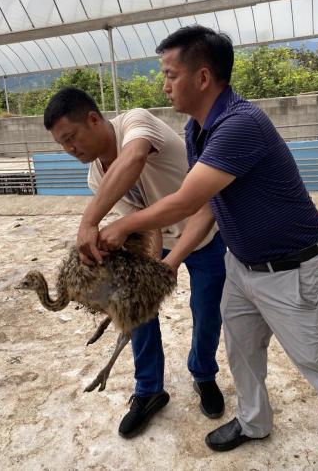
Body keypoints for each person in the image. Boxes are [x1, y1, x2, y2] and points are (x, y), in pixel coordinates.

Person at [97, 25, 318, 470]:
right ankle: (254, 421)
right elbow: (209, 204)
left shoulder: (241, 124)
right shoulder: (196, 130)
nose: (163, 84)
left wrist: (122, 225)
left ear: (203, 78)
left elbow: (185, 200)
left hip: (292, 273)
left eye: (170, 73)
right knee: (241, 352)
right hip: (242, 267)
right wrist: (173, 259)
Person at [43, 86, 227, 438]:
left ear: (94, 119)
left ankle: (204, 375)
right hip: (155, 235)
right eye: (62, 145)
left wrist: (89, 222)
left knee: (206, 310)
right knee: (136, 309)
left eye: (71, 138)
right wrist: (151, 271)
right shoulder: (96, 175)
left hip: (203, 231)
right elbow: (143, 220)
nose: (70, 150)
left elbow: (136, 160)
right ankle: (149, 390)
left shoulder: (136, 123)